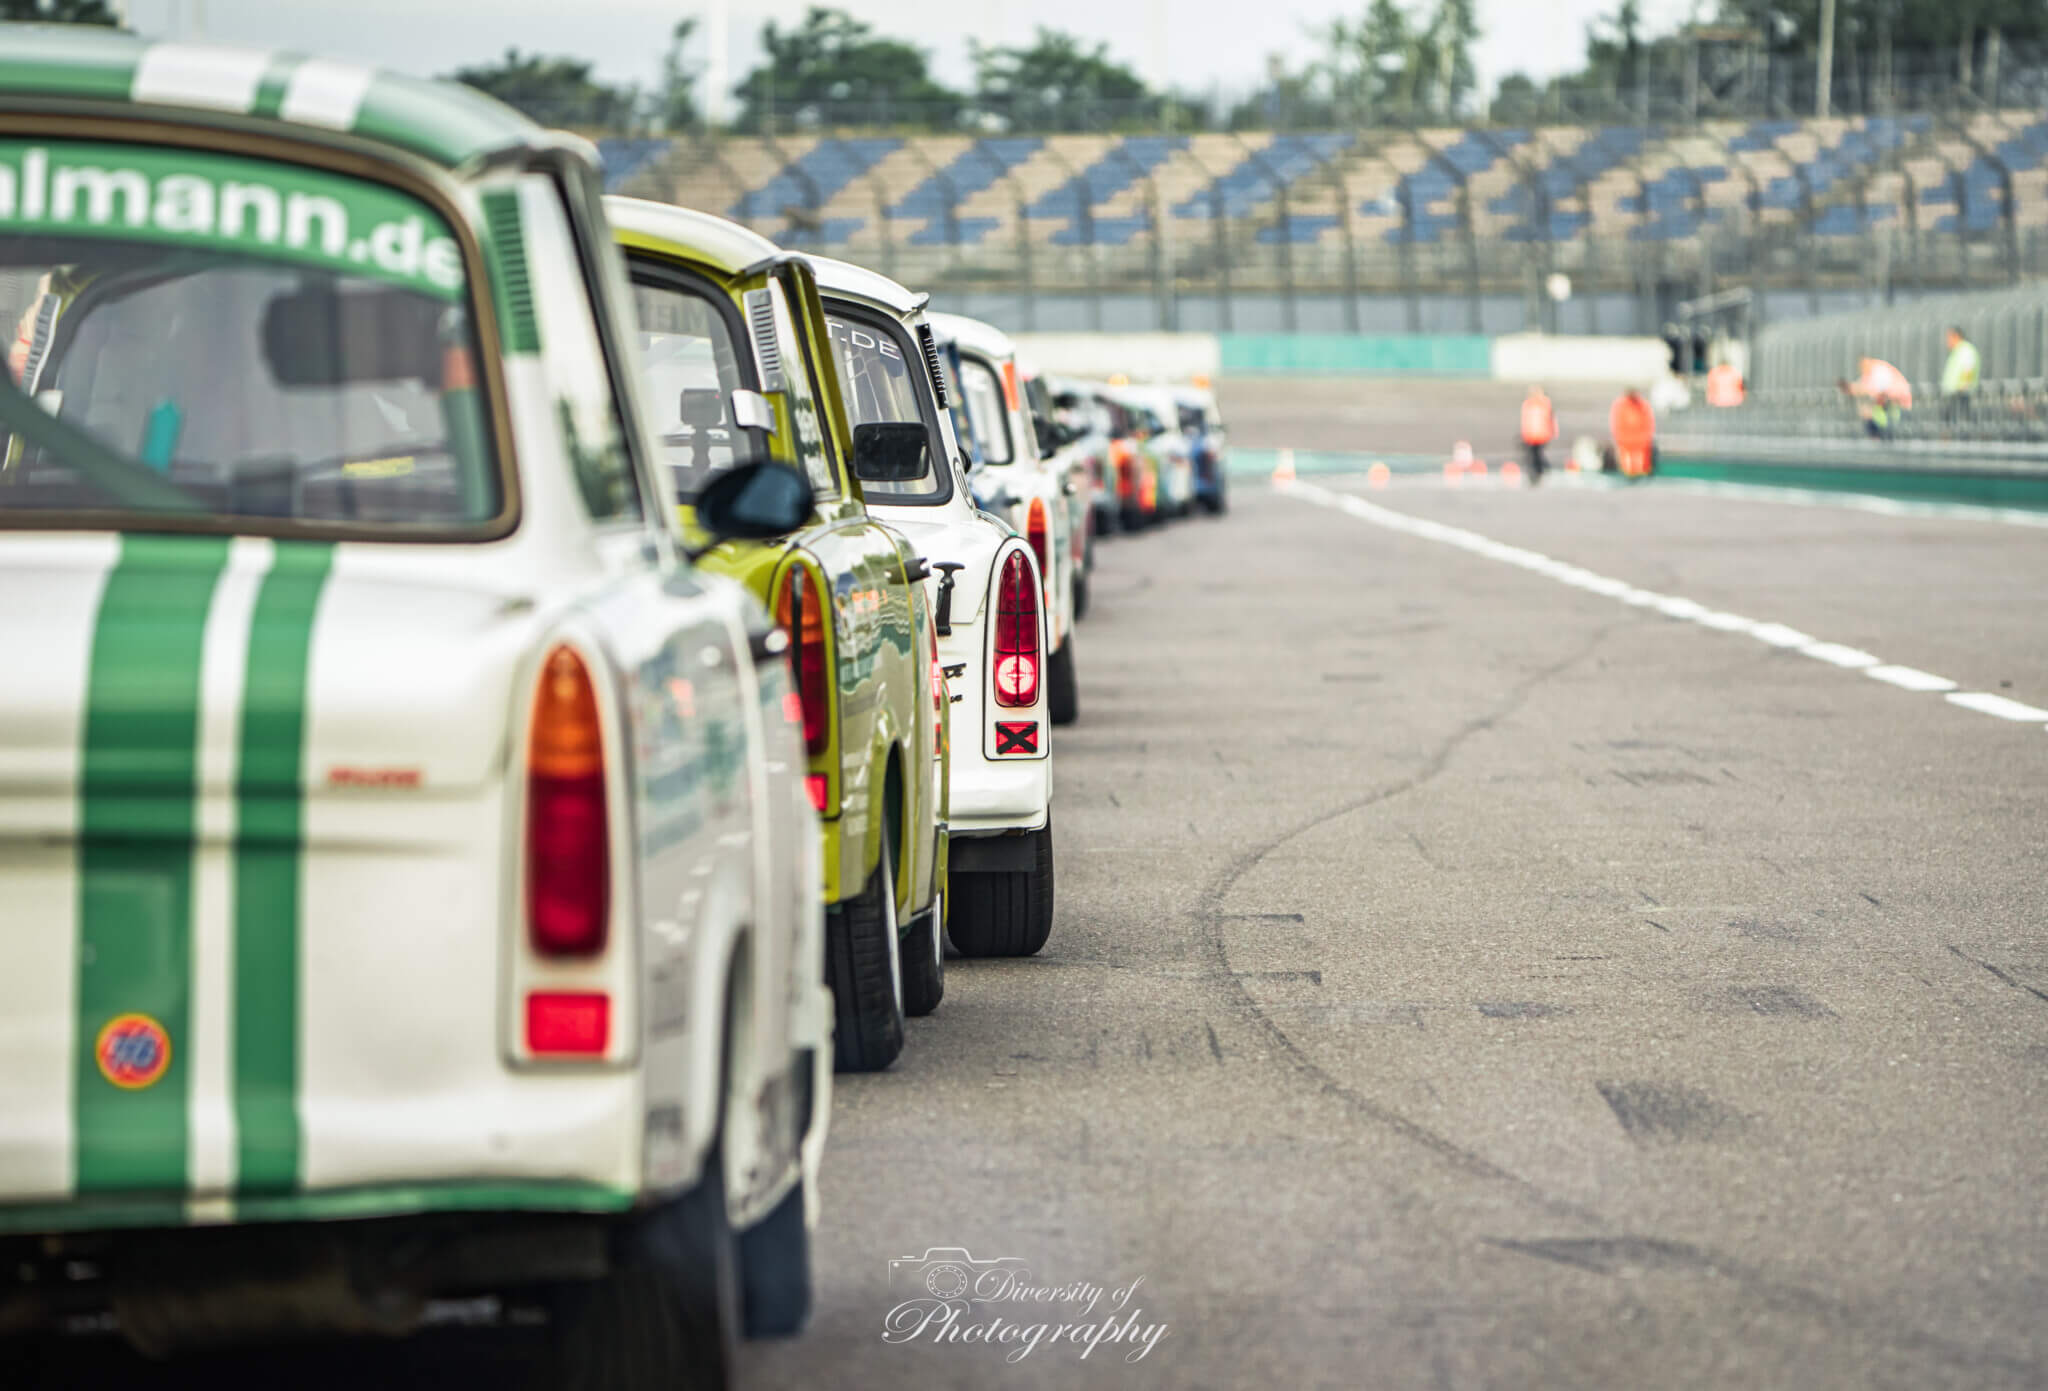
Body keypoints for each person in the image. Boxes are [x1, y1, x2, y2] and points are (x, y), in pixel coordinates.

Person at [1608, 387, 1656, 478]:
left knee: (1641, 464)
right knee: (1628, 465)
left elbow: (1648, 422)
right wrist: (1620, 438)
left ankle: (1640, 475)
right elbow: (1618, 423)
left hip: (1641, 441)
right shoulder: (1621, 406)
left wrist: (1645, 438)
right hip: (1626, 441)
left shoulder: (1643, 405)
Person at [1940, 326, 1979, 430]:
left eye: (1949, 338)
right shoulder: (1958, 351)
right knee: (1951, 423)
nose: (1947, 342)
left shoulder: (1966, 350)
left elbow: (1968, 368)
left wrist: (1965, 384)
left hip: (1962, 393)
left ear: (1956, 336)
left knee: (1960, 423)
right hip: (1954, 393)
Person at [1519, 385, 1557, 484]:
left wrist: (1553, 430)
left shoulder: (1544, 404)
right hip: (1531, 435)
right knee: (1533, 454)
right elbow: (1525, 420)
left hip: (1541, 434)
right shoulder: (1528, 404)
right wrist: (1524, 433)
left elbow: (1551, 418)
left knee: (1537, 454)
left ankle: (1542, 471)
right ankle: (1538, 472)